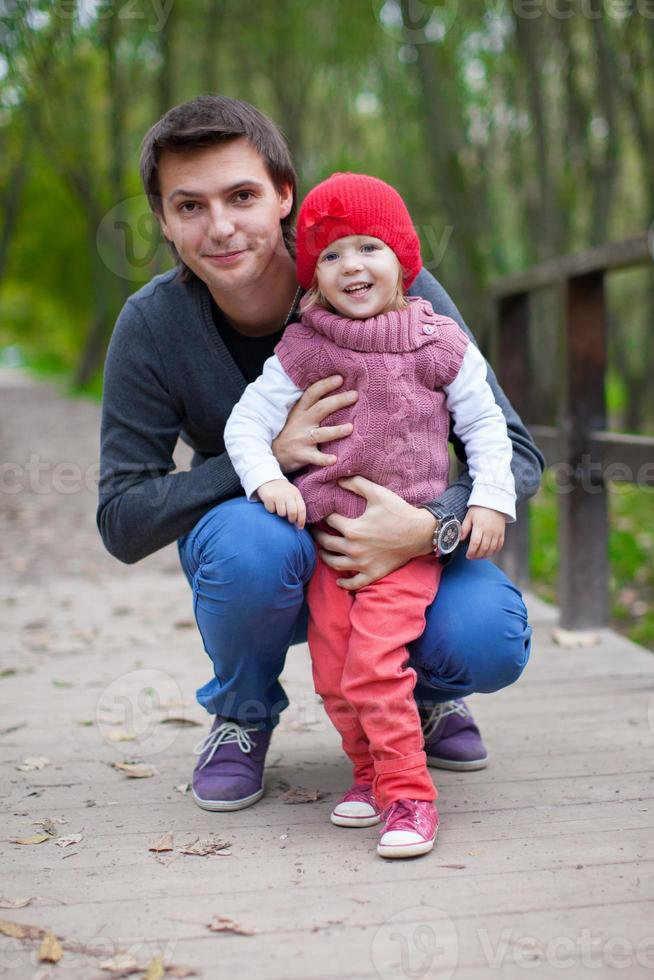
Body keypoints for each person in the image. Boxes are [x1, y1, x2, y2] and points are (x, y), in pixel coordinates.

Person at [97, 96, 543, 817]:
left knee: (489, 637)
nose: (220, 226)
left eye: (241, 196)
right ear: (163, 221)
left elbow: (513, 449)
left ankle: (425, 693)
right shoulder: (153, 327)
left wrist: (433, 524)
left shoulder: (390, 284)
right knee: (249, 544)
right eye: (189, 206)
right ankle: (243, 713)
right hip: (270, 550)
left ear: (282, 196)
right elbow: (122, 518)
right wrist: (261, 458)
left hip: (404, 546)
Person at [223, 172, 516, 858]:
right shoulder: (306, 346)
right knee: (334, 670)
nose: (351, 264)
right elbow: (245, 425)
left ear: (404, 260)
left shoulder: (438, 342)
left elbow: (487, 428)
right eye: (330, 254)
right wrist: (270, 478)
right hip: (333, 545)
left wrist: (489, 499)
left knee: (374, 667)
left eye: (369, 247)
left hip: (408, 542)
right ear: (313, 277)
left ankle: (410, 794)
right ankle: (367, 773)